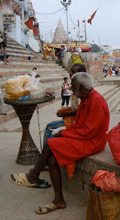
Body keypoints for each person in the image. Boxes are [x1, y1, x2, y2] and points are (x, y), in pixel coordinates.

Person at [10, 72, 110, 214]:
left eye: (73, 85)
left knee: (50, 143)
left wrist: (64, 133)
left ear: (81, 87)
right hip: (86, 138)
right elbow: (79, 125)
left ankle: (33, 175)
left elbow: (89, 131)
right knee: (51, 160)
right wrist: (66, 129)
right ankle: (59, 200)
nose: (70, 87)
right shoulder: (86, 99)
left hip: (93, 142)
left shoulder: (96, 101)